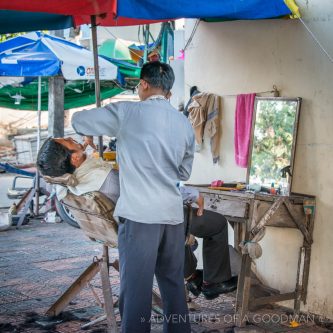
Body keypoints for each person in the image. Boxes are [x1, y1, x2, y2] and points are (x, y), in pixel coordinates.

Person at [70, 61, 194, 333]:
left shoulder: (128, 112)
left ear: (144, 84)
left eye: (139, 85)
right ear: (169, 92)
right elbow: (184, 171)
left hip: (140, 216)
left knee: (136, 287)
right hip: (172, 216)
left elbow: (78, 121)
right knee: (173, 284)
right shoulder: (184, 123)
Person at [37, 137, 236, 302]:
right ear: (74, 158)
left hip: (127, 229)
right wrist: (192, 194)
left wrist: (86, 148)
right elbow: (156, 193)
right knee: (217, 223)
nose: (72, 138)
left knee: (177, 236)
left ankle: (192, 277)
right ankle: (214, 282)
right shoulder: (107, 178)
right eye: (68, 141)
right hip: (156, 219)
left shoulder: (70, 184)